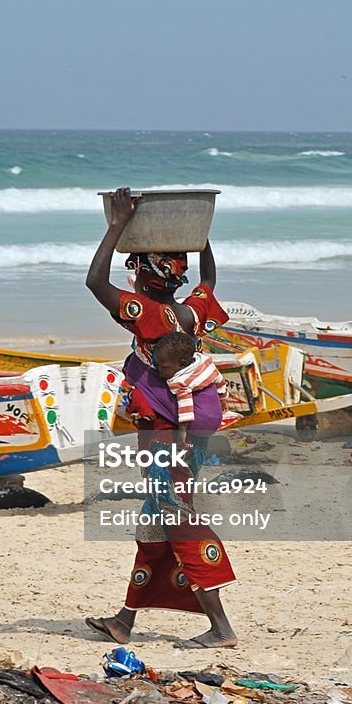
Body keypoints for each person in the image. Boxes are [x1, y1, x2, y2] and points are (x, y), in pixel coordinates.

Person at [84, 187, 237, 649]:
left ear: (143, 277)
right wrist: (198, 235)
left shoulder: (148, 314)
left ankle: (221, 627)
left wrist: (115, 226)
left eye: (133, 270)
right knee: (155, 522)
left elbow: (95, 282)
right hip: (184, 427)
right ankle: (124, 621)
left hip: (168, 432)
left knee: (176, 517)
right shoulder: (188, 313)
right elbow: (209, 277)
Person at [153, 331, 229, 448]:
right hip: (217, 419)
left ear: (182, 364)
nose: (159, 370)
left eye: (163, 367)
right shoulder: (205, 363)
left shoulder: (181, 382)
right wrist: (223, 399)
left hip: (200, 427)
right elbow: (220, 381)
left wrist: (182, 434)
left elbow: (186, 409)